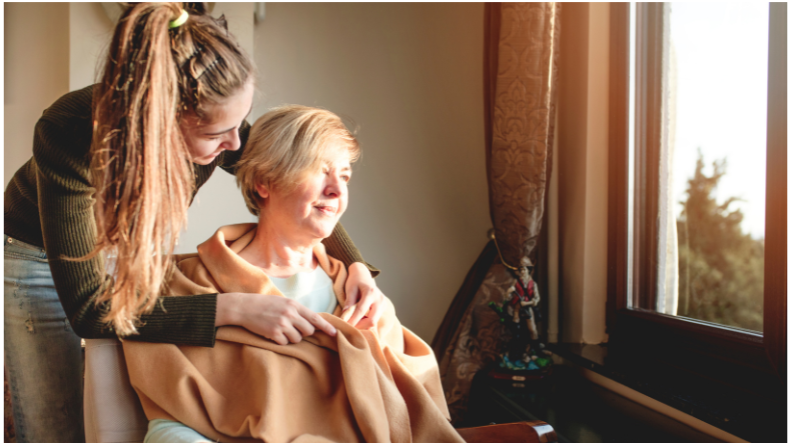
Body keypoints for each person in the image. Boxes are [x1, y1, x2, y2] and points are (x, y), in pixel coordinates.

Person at [3, 4, 382, 443]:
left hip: (125, 249)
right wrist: (237, 307)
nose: (235, 144)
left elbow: (284, 177)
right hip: (36, 255)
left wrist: (354, 264)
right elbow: (90, 312)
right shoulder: (69, 132)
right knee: (56, 424)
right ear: (159, 121)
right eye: (216, 135)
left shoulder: (219, 120)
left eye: (239, 123)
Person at [123, 105, 459, 443]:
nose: (337, 191)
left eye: (344, 176)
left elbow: (410, 415)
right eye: (319, 170)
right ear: (264, 182)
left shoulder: (360, 297)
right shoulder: (192, 283)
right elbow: (170, 427)